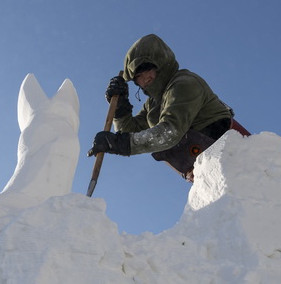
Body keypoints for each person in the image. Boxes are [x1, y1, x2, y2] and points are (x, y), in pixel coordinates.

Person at [87, 34, 241, 179]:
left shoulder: (184, 84)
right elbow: (128, 132)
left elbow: (170, 131)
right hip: (207, 175)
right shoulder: (153, 104)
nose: (144, 79)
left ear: (160, 63)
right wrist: (120, 109)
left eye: (146, 69)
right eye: (137, 77)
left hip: (236, 162)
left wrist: (119, 143)